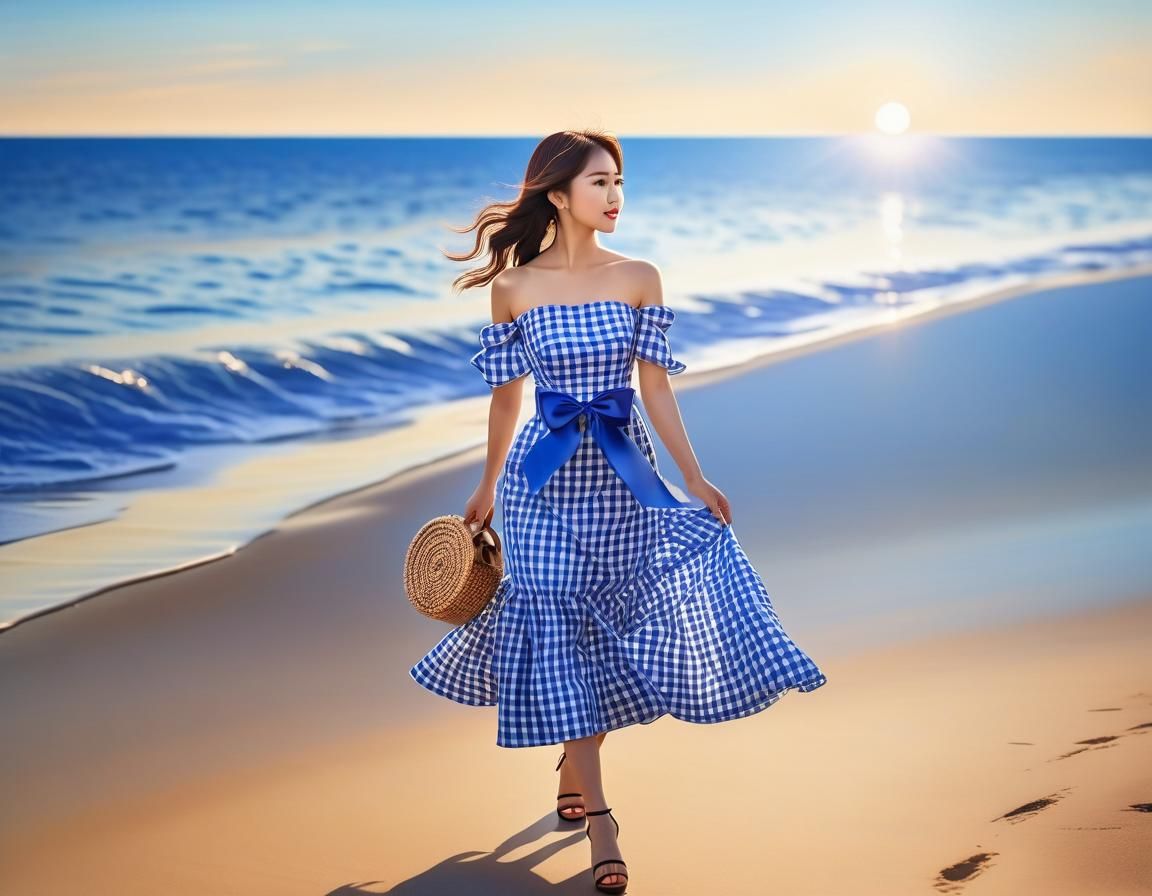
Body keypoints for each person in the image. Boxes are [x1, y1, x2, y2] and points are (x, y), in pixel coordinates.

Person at [409, 129, 828, 894]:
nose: (614, 197)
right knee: (558, 623)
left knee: (611, 626)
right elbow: (507, 401)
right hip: (543, 484)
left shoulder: (641, 276)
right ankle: (602, 822)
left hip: (622, 477)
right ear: (558, 195)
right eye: (600, 183)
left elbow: (655, 386)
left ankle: (575, 758)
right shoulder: (515, 288)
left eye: (619, 182)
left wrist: (695, 479)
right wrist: (488, 485)